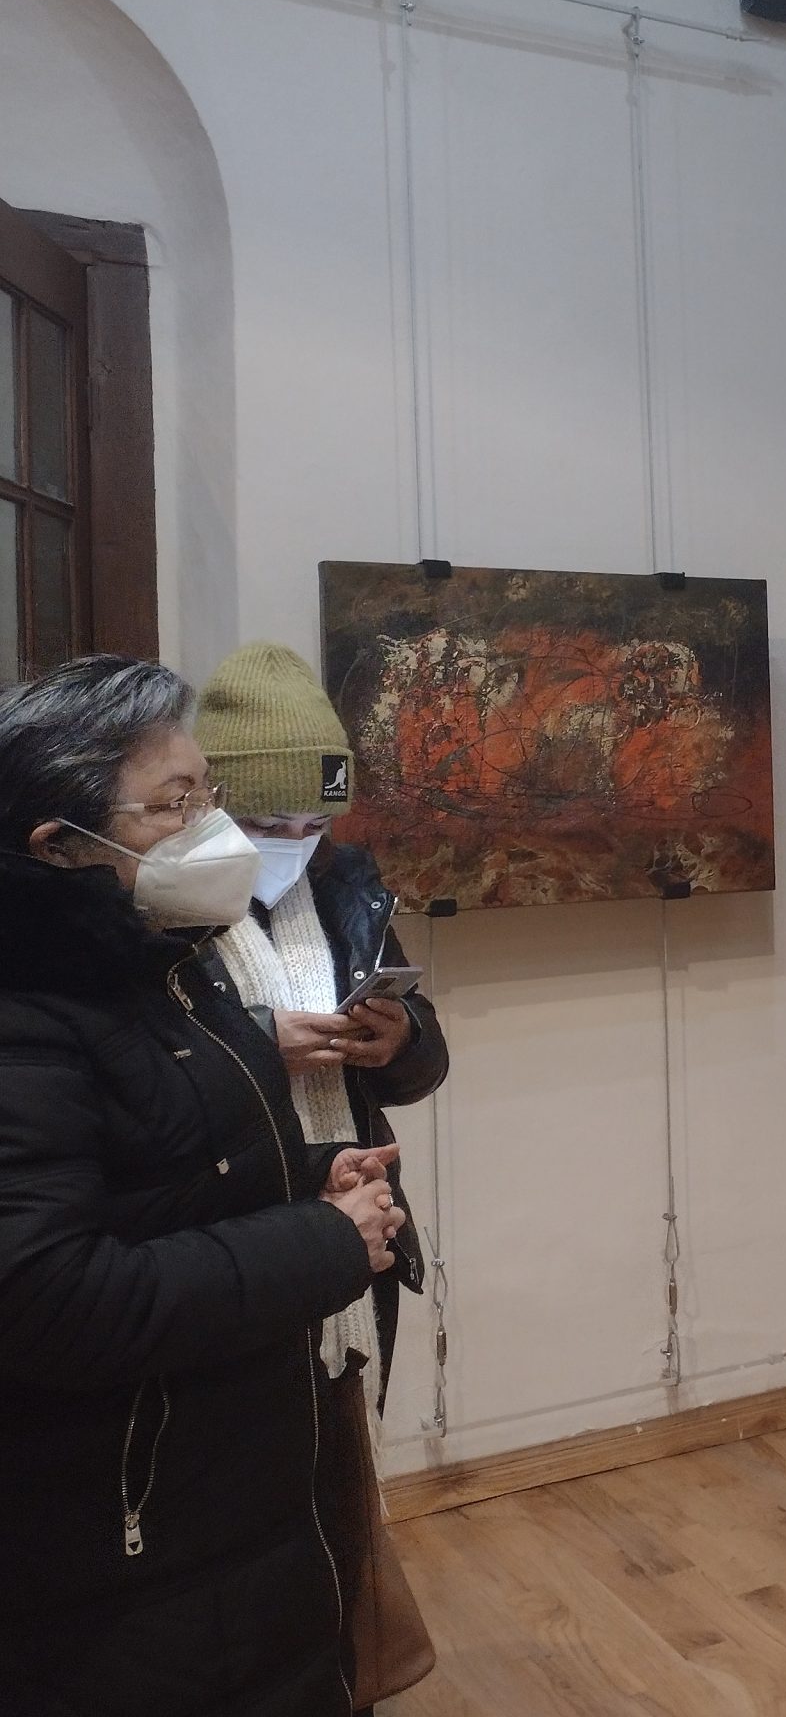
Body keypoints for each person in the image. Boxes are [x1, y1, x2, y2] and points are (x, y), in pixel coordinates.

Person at [0, 654, 404, 1717]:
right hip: (126, 1537)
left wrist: (310, 1170)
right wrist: (324, 1239)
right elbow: (47, 1296)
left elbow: (175, 1168)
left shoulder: (158, 959)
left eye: (208, 793)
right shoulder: (33, 1012)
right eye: (176, 803)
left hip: (230, 1487)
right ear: (57, 845)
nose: (216, 831)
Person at [197, 643, 451, 1416]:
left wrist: (399, 1038)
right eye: (267, 823)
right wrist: (257, 1045)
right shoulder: (165, 906)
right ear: (208, 806)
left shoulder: (344, 888)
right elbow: (148, 1070)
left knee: (347, 1435)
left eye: (314, 823)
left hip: (359, 1210)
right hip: (230, 1228)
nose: (293, 843)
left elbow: (425, 1054)